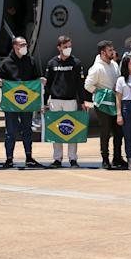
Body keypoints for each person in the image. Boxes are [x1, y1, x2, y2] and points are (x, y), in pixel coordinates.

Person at [0, 37, 43, 168]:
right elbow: (0, 78)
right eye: (22, 44)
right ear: (15, 47)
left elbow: (35, 78)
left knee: (27, 130)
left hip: (27, 102)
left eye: (26, 44)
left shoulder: (31, 61)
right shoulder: (6, 63)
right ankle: (9, 158)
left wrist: (40, 80)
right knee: (10, 132)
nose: (25, 46)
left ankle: (29, 157)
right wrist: (0, 81)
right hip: (11, 103)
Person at [44, 36, 85, 168]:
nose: (68, 49)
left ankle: (73, 159)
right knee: (56, 130)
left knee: (71, 130)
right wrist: (45, 103)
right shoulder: (52, 63)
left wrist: (82, 101)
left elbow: (80, 83)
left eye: (69, 46)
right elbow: (48, 85)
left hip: (71, 101)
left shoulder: (76, 63)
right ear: (59, 47)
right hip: (55, 101)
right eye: (65, 46)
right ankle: (57, 158)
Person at [85, 40, 125, 169]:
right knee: (105, 131)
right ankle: (105, 159)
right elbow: (88, 85)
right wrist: (100, 92)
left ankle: (117, 157)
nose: (112, 52)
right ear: (102, 52)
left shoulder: (114, 64)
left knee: (118, 131)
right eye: (109, 50)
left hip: (115, 102)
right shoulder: (96, 68)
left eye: (112, 49)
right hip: (102, 105)